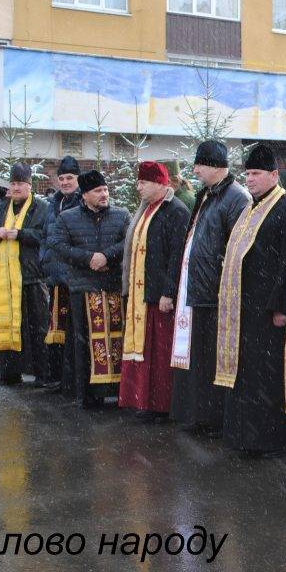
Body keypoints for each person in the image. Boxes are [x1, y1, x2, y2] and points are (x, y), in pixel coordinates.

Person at [214, 144, 286, 456]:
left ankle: (269, 440)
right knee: (246, 375)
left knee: (266, 377)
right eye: (248, 174)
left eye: (256, 174)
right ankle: (244, 437)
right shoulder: (249, 209)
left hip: (268, 312)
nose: (250, 179)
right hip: (243, 309)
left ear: (274, 175)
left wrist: (280, 306)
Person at [169, 140, 250, 437]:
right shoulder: (207, 194)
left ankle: (214, 419)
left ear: (214, 166)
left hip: (216, 293)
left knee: (214, 362)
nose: (195, 171)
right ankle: (199, 415)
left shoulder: (235, 197)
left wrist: (217, 272)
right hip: (199, 290)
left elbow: (235, 246)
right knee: (200, 362)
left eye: (200, 165)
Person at [118, 162, 190, 420]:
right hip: (141, 293)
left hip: (159, 296)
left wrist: (168, 292)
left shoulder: (175, 211)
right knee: (145, 350)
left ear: (161, 183)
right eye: (138, 183)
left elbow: (177, 255)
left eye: (143, 183)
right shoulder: (147, 209)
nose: (138, 187)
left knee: (159, 354)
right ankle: (142, 400)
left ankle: (161, 405)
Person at [53, 170, 130, 408]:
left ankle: (117, 391)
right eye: (97, 191)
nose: (104, 194)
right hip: (83, 288)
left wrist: (107, 256)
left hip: (112, 286)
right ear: (85, 195)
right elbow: (58, 245)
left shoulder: (121, 215)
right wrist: (89, 258)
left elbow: (127, 242)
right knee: (84, 343)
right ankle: (87, 394)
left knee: (116, 339)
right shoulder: (67, 218)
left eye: (105, 189)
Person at [0, 164, 51, 388]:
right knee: (6, 324)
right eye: (13, 184)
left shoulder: (41, 207)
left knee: (36, 327)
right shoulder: (0, 208)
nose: (16, 188)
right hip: (3, 277)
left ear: (29, 186)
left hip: (30, 276)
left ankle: (42, 373)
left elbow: (45, 235)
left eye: (20, 184)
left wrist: (21, 234)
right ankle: (8, 373)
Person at [41, 155, 82, 393]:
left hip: (73, 276)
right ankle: (58, 377)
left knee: (74, 330)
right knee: (57, 329)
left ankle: (72, 379)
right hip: (54, 275)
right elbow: (46, 235)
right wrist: (44, 258)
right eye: (62, 178)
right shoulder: (53, 203)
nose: (65, 182)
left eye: (70, 178)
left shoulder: (81, 201)